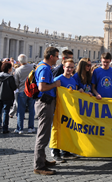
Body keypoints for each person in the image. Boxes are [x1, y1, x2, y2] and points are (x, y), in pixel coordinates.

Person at [33, 47, 61, 175]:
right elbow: (42, 87)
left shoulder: (43, 66)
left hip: (46, 102)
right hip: (45, 103)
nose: (57, 58)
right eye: (56, 56)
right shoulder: (44, 68)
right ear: (51, 57)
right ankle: (39, 165)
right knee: (43, 135)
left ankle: (42, 160)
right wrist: (55, 85)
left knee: (44, 132)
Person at [0, 62, 17, 134]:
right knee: (6, 112)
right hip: (7, 96)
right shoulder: (10, 77)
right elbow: (14, 87)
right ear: (9, 68)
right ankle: (5, 128)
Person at [14, 54, 35, 134]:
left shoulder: (18, 70)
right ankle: (31, 127)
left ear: (19, 61)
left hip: (22, 90)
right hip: (32, 90)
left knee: (21, 110)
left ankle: (20, 128)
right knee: (31, 110)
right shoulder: (32, 68)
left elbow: (16, 82)